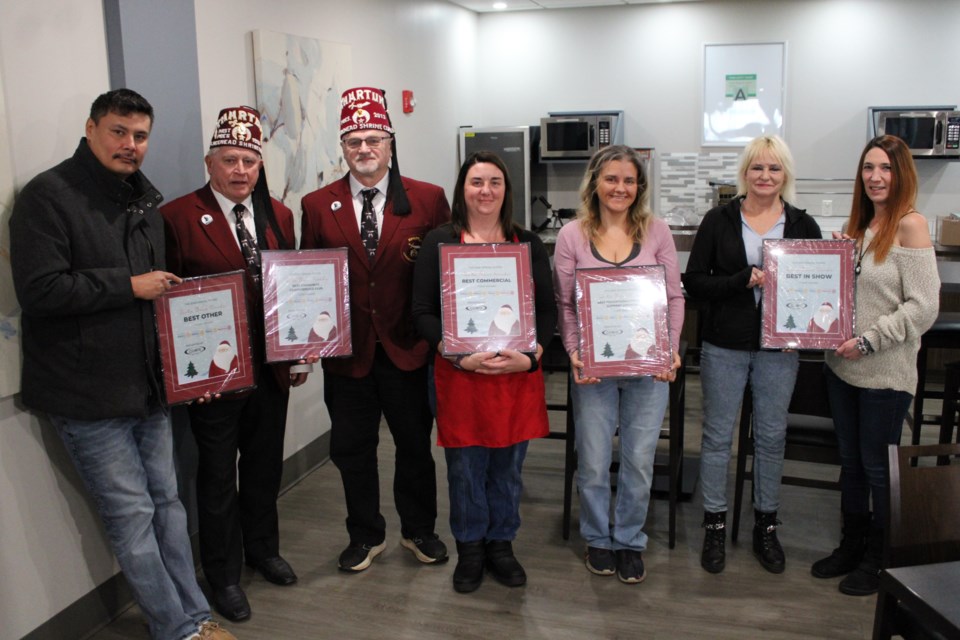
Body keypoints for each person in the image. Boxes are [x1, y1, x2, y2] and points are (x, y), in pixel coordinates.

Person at [9, 89, 235, 640]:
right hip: (86, 395)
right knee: (133, 518)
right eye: (118, 131)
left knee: (168, 506)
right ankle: (175, 628)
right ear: (91, 129)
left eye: (139, 136)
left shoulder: (142, 203)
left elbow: (164, 304)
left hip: (146, 389)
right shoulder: (47, 196)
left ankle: (196, 617)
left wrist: (194, 371)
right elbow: (39, 290)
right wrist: (126, 285)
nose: (129, 145)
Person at [162, 105, 310, 622]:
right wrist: (186, 372)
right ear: (210, 163)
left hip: (271, 370)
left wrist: (298, 354)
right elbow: (167, 302)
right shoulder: (177, 217)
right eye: (230, 160)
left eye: (250, 160)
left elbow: (290, 290)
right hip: (214, 378)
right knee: (218, 477)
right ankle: (223, 574)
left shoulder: (279, 215)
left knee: (265, 466)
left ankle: (264, 550)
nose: (241, 171)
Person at [300, 87, 450, 572]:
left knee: (413, 446)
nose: (363, 150)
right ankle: (365, 535)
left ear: (390, 144)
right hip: (348, 354)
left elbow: (447, 275)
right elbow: (308, 280)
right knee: (351, 450)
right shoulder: (318, 205)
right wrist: (304, 343)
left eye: (372, 140)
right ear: (342, 148)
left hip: (408, 348)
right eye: (353, 142)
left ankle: (418, 529)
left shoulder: (427, 200)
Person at [412, 151, 557, 593]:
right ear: (463, 190)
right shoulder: (439, 242)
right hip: (460, 376)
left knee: (508, 468)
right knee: (465, 468)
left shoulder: (527, 243)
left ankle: (501, 544)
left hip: (516, 374)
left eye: (495, 182)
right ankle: (470, 547)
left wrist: (531, 356)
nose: (486, 191)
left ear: (505, 191)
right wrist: (457, 354)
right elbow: (422, 312)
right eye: (477, 182)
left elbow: (547, 311)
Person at [682, 135, 822, 575]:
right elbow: (695, 284)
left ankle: (766, 524)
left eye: (774, 168)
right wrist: (740, 280)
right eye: (757, 168)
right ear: (745, 173)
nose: (765, 176)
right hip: (724, 344)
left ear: (786, 175)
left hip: (779, 349)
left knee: (771, 436)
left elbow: (818, 289)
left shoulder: (802, 225)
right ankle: (715, 525)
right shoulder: (718, 220)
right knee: (718, 436)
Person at [812, 135, 939, 596]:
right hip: (842, 369)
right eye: (868, 168)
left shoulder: (911, 225)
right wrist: (837, 261)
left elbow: (923, 306)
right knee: (850, 463)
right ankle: (852, 544)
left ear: (901, 173)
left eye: (885, 168)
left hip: (884, 372)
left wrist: (868, 341)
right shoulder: (862, 226)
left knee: (876, 466)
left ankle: (879, 558)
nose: (875, 177)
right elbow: (853, 296)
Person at [553, 144, 683, 585]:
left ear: (639, 187)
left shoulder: (657, 232)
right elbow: (565, 306)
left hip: (648, 370)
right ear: (595, 182)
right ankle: (596, 537)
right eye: (611, 178)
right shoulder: (572, 235)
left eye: (629, 180)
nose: (620, 188)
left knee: (639, 461)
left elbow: (674, 297)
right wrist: (573, 350)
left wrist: (670, 350)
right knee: (591, 461)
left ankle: (629, 539)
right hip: (593, 369)